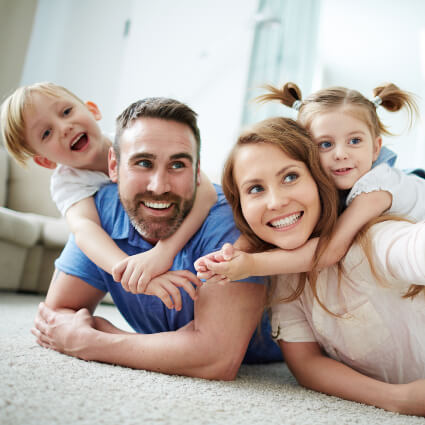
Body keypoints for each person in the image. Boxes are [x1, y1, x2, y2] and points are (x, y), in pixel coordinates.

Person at [29, 96, 283, 379]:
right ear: (114, 165)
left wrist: (93, 342)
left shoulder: (229, 222)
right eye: (143, 163)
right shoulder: (97, 213)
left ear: (197, 170)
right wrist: (179, 346)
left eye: (177, 165)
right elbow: (55, 316)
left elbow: (217, 357)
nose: (159, 186)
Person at [202, 116, 425, 414]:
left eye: (290, 177)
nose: (276, 202)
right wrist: (396, 398)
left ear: (320, 181)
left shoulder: (373, 239)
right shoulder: (284, 279)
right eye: (255, 189)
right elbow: (306, 364)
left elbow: (412, 249)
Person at [0, 82, 217, 305]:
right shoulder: (68, 181)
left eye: (66, 112)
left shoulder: (131, 140)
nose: (64, 127)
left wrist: (163, 253)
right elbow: (85, 230)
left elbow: (207, 190)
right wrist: (133, 272)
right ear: (45, 161)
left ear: (92, 110)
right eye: (46, 133)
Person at [196, 82, 425, 281]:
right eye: (325, 144)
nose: (340, 154)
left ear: (376, 148)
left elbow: (331, 249)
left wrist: (251, 265)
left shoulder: (376, 187)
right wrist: (229, 255)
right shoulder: (325, 185)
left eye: (354, 141)